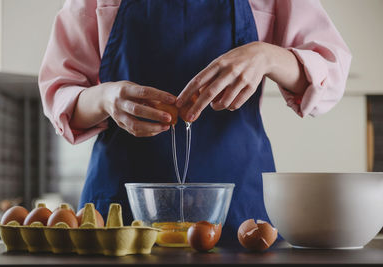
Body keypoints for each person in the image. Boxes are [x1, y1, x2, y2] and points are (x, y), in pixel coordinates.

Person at [39, 0, 351, 245]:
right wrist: (105, 98)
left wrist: (268, 56)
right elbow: (60, 94)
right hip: (121, 215)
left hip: (238, 216)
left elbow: (331, 75)